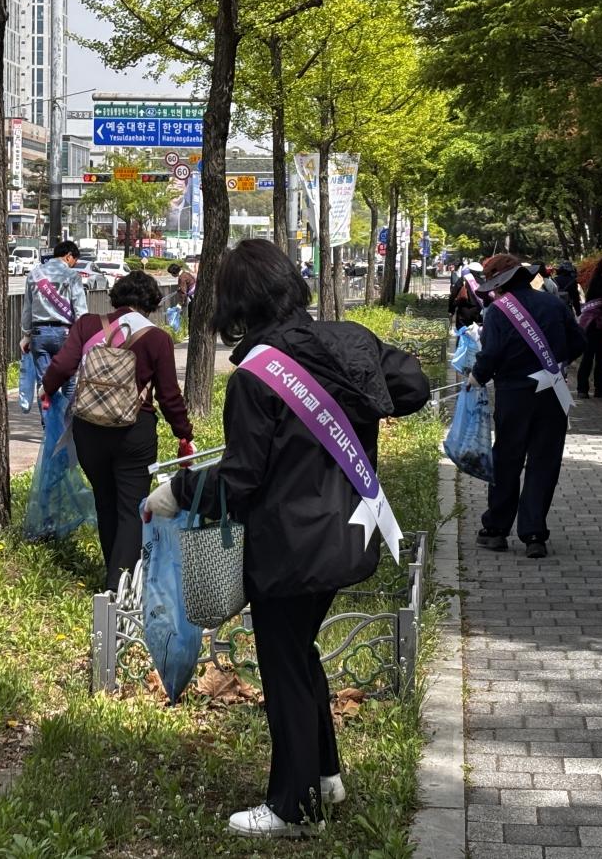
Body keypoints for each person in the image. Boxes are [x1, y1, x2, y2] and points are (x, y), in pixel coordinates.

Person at [144, 240, 430, 838]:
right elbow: (413, 388)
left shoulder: (256, 375)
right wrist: (362, 407)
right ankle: (324, 775)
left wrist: (177, 492)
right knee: (300, 654)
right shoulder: (351, 340)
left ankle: (292, 809)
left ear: (239, 301)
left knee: (284, 665)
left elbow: (243, 480)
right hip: (351, 530)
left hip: (289, 547)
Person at [41, 271, 193, 591]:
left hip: (88, 429)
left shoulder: (86, 325)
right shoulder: (157, 338)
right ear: (152, 303)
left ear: (116, 297)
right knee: (131, 507)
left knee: (105, 501)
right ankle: (118, 586)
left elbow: (63, 365)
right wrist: (183, 433)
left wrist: (47, 389)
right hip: (134, 431)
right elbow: (168, 395)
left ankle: (114, 570)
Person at [471, 253, 586, 559]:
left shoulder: (497, 312)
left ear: (501, 284)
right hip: (552, 391)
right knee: (544, 461)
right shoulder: (555, 304)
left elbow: (491, 353)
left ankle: (496, 530)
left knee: (507, 459)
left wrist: (477, 376)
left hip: (513, 394)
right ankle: (534, 534)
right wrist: (556, 364)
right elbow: (579, 342)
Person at [21, 240, 89, 422]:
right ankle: (67, 425)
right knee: (68, 381)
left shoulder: (34, 274)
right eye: (74, 261)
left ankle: (48, 426)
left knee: (44, 383)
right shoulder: (72, 276)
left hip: (39, 334)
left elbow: (27, 308)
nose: (74, 265)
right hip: (66, 335)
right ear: (68, 256)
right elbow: (81, 310)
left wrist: (26, 333)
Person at [576, 254, 602, 398]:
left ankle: (600, 389)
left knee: (601, 359)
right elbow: (597, 299)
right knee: (588, 357)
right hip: (592, 325)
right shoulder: (596, 281)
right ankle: (582, 389)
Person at [447, 261, 485, 330]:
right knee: (476, 335)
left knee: (462, 334)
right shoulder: (483, 282)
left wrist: (451, 310)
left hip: (463, 312)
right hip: (478, 312)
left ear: (469, 270)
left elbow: (453, 295)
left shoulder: (463, 279)